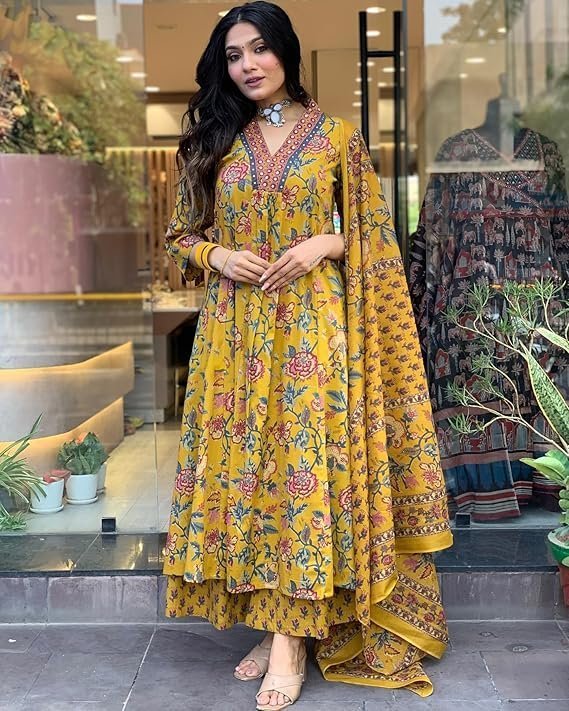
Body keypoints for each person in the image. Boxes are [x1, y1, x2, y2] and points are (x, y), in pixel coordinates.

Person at [163, 2, 452, 708]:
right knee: (248, 479)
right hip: (233, 337)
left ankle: (291, 641)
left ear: (286, 53)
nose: (248, 65)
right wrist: (216, 255)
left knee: (301, 476)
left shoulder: (336, 138)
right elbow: (180, 235)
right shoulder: (214, 139)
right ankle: (274, 624)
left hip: (312, 333)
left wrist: (327, 242)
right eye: (234, 55)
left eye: (259, 48)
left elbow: (375, 233)